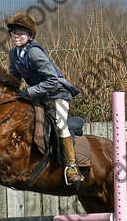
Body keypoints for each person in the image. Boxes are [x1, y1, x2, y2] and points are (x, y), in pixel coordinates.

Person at [6, 12, 83, 185]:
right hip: (39, 94)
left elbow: (52, 81)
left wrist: (28, 93)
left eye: (21, 33)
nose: (16, 36)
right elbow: (13, 78)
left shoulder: (34, 53)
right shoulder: (14, 54)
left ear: (30, 36)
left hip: (57, 92)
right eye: (13, 33)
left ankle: (72, 167)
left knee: (61, 125)